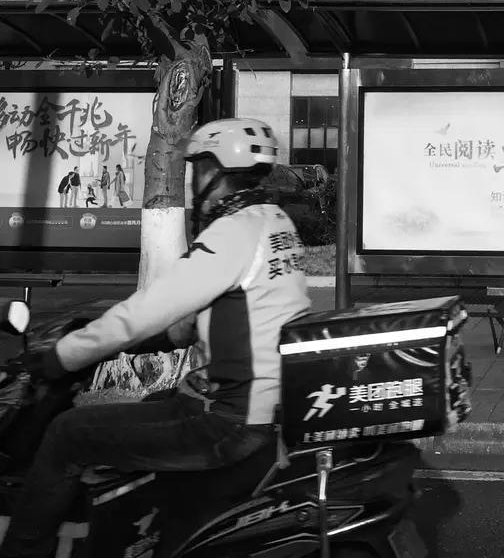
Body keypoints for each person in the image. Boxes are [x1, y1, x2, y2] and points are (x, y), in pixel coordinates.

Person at [0, 118, 311, 558]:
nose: (194, 181)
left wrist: (60, 358)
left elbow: (146, 310)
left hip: (231, 420)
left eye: (197, 169)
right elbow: (217, 314)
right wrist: (147, 343)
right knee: (151, 405)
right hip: (269, 406)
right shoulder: (274, 222)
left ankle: (20, 551)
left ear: (214, 171)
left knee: (67, 433)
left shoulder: (232, 233)